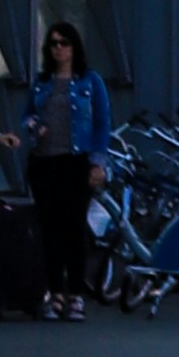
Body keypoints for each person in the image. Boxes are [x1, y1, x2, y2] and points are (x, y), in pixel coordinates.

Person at [26, 20, 117, 325]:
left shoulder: (90, 82)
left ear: (74, 47)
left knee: (74, 229)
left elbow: (103, 123)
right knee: (50, 231)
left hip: (75, 161)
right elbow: (28, 113)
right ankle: (55, 294)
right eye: (53, 44)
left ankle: (76, 294)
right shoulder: (42, 82)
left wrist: (98, 162)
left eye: (64, 43)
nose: (59, 49)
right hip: (44, 162)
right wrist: (33, 127)